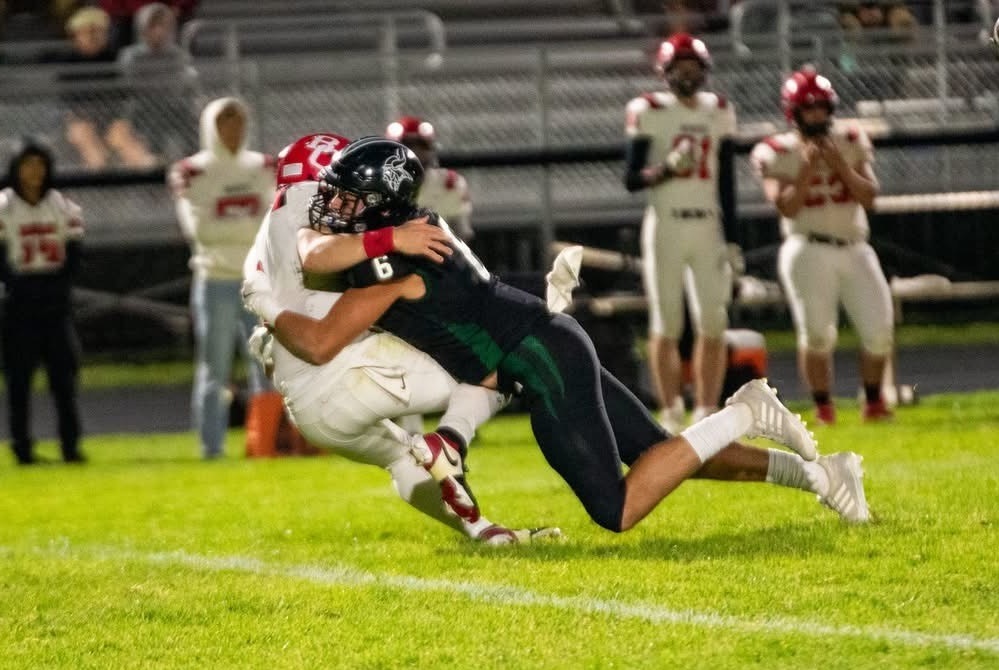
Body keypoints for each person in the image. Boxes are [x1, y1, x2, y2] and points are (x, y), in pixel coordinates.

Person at [270, 137, 873, 531]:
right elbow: (313, 248)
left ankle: (744, 414)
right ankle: (823, 476)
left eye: (349, 200)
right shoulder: (398, 237)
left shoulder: (387, 268)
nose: (333, 208)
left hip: (543, 363)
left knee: (617, 508)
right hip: (545, 344)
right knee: (661, 453)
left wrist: (272, 312)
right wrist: (378, 236)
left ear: (382, 207)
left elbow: (320, 338)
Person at [242, 132, 558, 545]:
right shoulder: (306, 198)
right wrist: (390, 238)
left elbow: (268, 296)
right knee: (503, 365)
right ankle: (452, 438)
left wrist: (269, 318)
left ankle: (483, 533)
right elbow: (316, 257)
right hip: (343, 374)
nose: (337, 198)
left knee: (401, 458)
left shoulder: (267, 233)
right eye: (335, 184)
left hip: (310, 411)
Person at [750, 65, 893, 426]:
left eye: (820, 107)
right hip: (806, 246)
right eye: (808, 107)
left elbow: (869, 197)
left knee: (879, 330)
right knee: (817, 333)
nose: (816, 115)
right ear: (793, 111)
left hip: (854, 243)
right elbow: (785, 205)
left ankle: (874, 402)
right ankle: (824, 407)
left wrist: (839, 167)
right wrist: (809, 169)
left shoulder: (850, 139)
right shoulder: (774, 150)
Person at [624, 33, 741, 433]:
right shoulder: (649, 110)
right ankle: (671, 409)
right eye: (680, 68)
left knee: (713, 319)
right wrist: (665, 170)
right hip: (666, 221)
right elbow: (630, 179)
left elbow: (728, 181)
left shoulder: (719, 111)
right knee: (667, 320)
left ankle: (706, 408)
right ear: (665, 72)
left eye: (693, 68)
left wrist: (733, 236)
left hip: (707, 221)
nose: (687, 75)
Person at [168, 97, 277, 459]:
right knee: (214, 369)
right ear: (211, 126)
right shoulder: (192, 171)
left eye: (238, 122)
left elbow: (271, 224)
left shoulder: (263, 166)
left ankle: (264, 444)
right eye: (225, 123)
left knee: (267, 365)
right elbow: (201, 231)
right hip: (214, 280)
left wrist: (228, 222)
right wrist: (248, 225)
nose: (233, 130)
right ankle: (211, 448)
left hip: (256, 281)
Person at [0, 139, 85, 465]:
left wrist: (57, 285)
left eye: (39, 164)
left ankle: (70, 445)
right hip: (19, 300)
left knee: (64, 379)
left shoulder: (62, 205)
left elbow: (75, 255)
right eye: (27, 164)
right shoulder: (5, 205)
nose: (34, 171)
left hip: (54, 299)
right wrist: (15, 283)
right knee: (19, 380)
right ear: (15, 168)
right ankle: (22, 447)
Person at [44, 6, 157, 170]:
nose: (94, 37)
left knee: (123, 136)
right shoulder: (66, 62)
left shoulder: (113, 58)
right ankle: (98, 178)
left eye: (99, 31)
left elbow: (123, 96)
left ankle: (146, 171)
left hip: (109, 118)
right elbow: (63, 102)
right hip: (77, 120)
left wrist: (119, 118)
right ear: (76, 36)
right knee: (87, 137)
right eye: (88, 32)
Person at [116, 2, 197, 163]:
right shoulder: (131, 56)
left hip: (173, 106)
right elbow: (129, 86)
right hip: (142, 109)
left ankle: (192, 162)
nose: (159, 31)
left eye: (163, 25)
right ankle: (154, 161)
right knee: (151, 118)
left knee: (189, 115)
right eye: (153, 26)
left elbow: (182, 83)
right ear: (143, 28)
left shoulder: (177, 55)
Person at [385, 116, 474, 243]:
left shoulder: (449, 183)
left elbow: (460, 236)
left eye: (421, 147)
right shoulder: (376, 185)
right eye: (407, 146)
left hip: (439, 255)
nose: (413, 153)